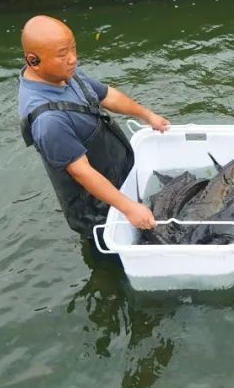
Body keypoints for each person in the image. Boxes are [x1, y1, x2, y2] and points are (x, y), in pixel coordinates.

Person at [18, 15, 170, 241]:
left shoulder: (62, 73)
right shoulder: (48, 121)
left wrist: (147, 115)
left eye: (73, 49)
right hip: (95, 208)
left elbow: (107, 95)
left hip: (116, 178)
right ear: (34, 61)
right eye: (63, 54)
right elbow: (82, 172)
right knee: (114, 250)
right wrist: (129, 208)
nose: (73, 59)